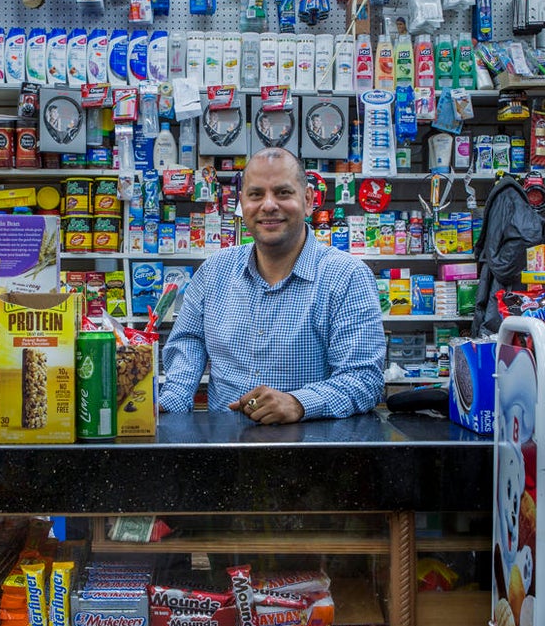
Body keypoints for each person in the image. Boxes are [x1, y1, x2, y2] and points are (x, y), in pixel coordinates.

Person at [159, 148, 385, 424]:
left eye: (282, 193)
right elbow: (189, 341)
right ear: (242, 202)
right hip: (224, 448)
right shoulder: (213, 272)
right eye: (256, 195)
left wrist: (299, 403)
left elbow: (364, 380)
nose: (268, 205)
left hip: (311, 449)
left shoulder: (347, 277)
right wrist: (173, 400)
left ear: (308, 200)